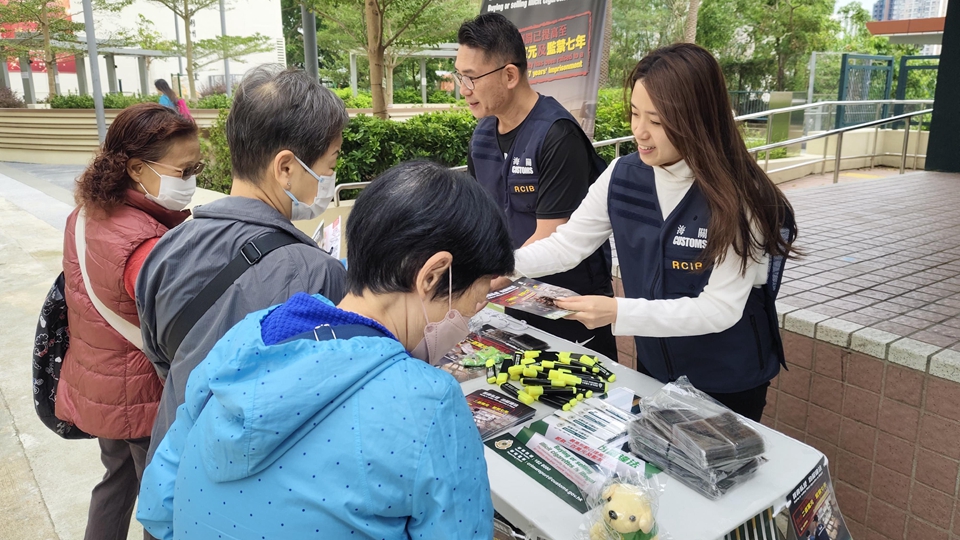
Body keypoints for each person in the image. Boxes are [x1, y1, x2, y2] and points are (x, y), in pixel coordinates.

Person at [137, 160, 513, 539]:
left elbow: (157, 503)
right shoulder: (431, 403)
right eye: (475, 301)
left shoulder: (249, 336)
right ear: (432, 276)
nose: (466, 323)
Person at [512, 43, 798, 421]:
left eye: (658, 121)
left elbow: (720, 309)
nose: (639, 132)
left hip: (727, 378)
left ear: (698, 119)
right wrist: (502, 264)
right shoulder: (622, 175)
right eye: (634, 113)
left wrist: (618, 311)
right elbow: (568, 245)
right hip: (654, 366)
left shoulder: (742, 196)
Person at [136, 65, 349, 463]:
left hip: (175, 471)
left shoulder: (165, 250)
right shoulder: (319, 274)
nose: (329, 176)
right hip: (264, 483)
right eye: (330, 163)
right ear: (286, 168)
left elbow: (163, 359)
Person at [57, 102, 200, 540]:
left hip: (100, 384)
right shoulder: (144, 242)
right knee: (163, 503)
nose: (191, 181)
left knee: (116, 483)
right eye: (184, 171)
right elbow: (183, 322)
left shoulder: (86, 213)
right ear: (137, 169)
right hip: (141, 398)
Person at [456, 13, 618, 362]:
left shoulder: (557, 135)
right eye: (460, 76)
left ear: (509, 75)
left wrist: (482, 281)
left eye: (471, 78)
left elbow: (551, 238)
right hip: (514, 297)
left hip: (570, 306)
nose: (463, 89)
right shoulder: (482, 135)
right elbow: (477, 219)